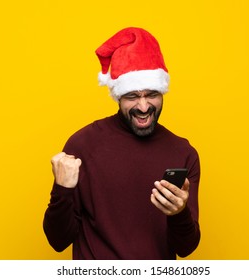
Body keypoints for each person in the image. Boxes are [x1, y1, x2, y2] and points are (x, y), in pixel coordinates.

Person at [43, 27, 201, 260]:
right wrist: (62, 191)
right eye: (132, 96)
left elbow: (186, 248)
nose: (144, 107)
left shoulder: (183, 153)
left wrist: (179, 213)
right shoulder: (83, 145)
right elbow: (57, 241)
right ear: (118, 96)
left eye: (152, 94)